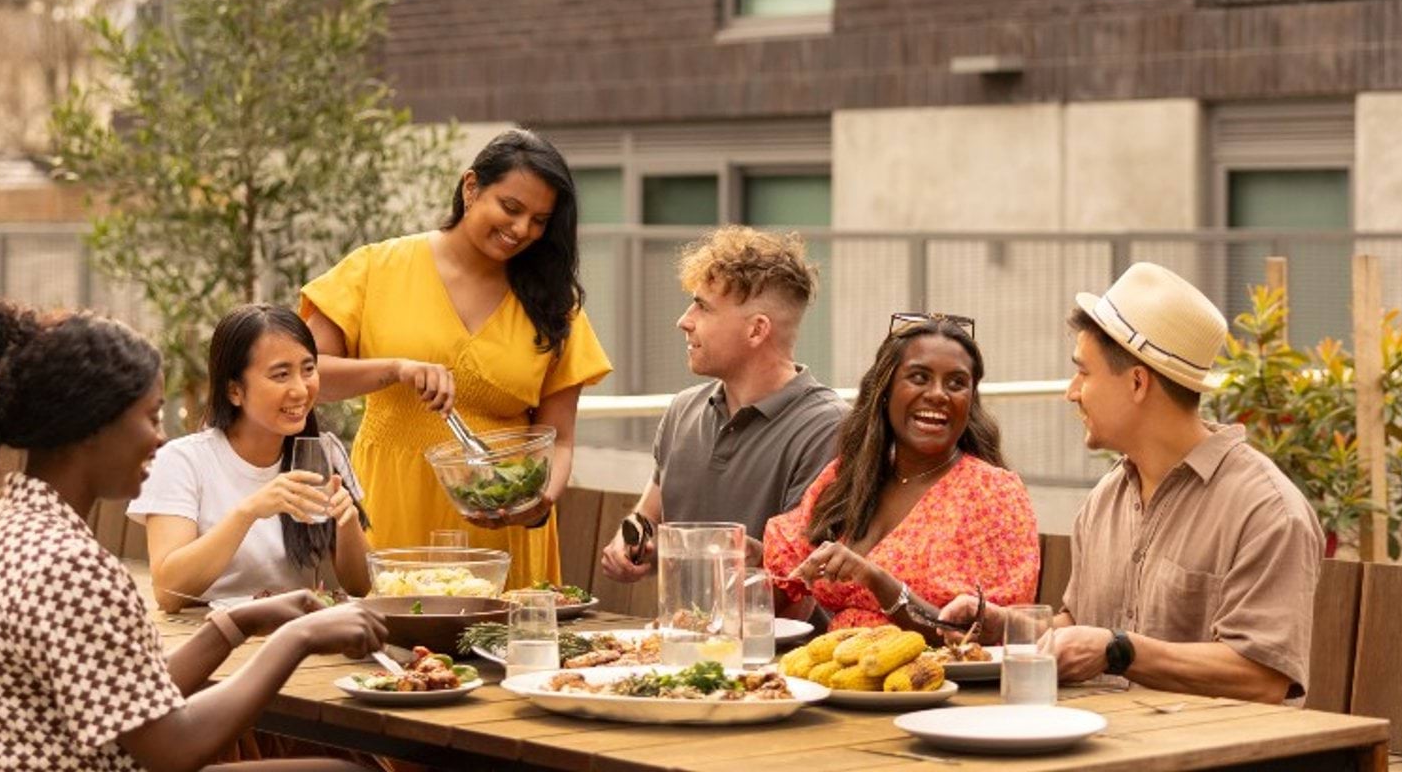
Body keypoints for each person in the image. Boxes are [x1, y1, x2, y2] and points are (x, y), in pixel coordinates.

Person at [0, 299, 386, 771]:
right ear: (91, 428)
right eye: (149, 417)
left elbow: (131, 695)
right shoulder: (68, 566)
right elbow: (173, 749)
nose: (160, 439)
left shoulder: (5, 524)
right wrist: (298, 637)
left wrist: (240, 622)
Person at [939, 262, 1324, 704]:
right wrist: (1006, 626)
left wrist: (1120, 651)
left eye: (1084, 372)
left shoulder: (1268, 511)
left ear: (1138, 382)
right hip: (1102, 743)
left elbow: (1263, 678)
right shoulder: (1106, 498)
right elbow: (1083, 626)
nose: (1071, 391)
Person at [302, 129, 612, 589]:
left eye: (540, 220)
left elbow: (560, 438)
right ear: (471, 188)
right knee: (394, 647)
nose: (522, 229)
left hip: (501, 519)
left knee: (501, 651)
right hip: (394, 505)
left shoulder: (553, 302)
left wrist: (541, 498)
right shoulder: (376, 268)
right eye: (511, 208)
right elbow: (308, 380)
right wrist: (394, 369)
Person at [597, 226, 847, 584]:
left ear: (757, 330)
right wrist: (630, 544)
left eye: (702, 307)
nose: (684, 321)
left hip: (781, 640)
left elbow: (805, 575)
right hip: (679, 634)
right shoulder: (683, 410)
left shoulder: (828, 428)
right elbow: (647, 518)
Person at [760, 313, 1040, 631]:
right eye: (919, 378)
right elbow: (783, 587)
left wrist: (878, 581)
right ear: (885, 389)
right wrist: (739, 568)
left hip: (936, 678)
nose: (938, 394)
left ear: (971, 401)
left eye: (957, 383)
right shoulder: (849, 477)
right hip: (833, 673)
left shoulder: (994, 494)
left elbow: (987, 635)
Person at [130, 304, 371, 612]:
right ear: (234, 391)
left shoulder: (324, 452)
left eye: (308, 369)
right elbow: (168, 592)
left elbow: (360, 586)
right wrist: (249, 512)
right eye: (281, 374)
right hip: (207, 640)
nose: (300, 389)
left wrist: (347, 522)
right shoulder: (182, 461)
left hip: (299, 640)